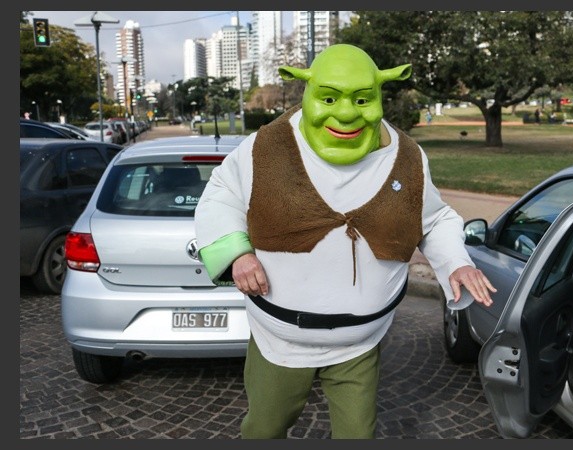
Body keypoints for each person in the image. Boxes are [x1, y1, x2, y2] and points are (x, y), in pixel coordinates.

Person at [194, 44, 496, 439]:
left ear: (379, 95)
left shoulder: (407, 157)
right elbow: (221, 195)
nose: (347, 113)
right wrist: (238, 254)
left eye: (362, 99)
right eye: (329, 98)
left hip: (359, 345)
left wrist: (456, 262)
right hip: (280, 341)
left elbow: (434, 218)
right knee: (265, 429)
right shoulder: (264, 147)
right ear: (307, 91)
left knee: (357, 434)